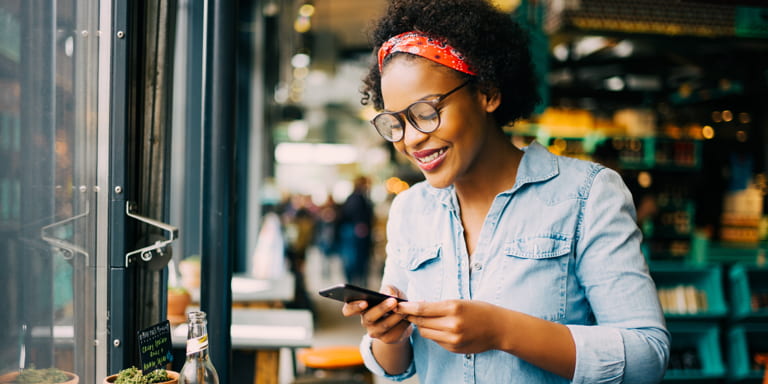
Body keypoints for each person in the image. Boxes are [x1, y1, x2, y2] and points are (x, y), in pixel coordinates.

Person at [339, 1, 670, 383]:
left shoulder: (587, 195)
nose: (411, 139)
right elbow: (397, 367)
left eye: (427, 112)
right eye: (395, 122)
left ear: (488, 93)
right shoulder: (410, 210)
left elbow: (648, 357)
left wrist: (503, 331)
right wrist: (389, 336)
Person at [338, 175, 374, 287]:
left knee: (354, 259)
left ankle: (354, 282)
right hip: (355, 233)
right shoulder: (358, 198)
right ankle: (355, 283)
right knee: (355, 259)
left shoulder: (353, 197)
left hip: (352, 232)